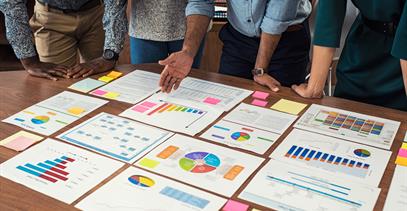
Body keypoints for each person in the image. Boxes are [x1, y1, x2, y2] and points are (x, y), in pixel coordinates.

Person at [159, 0, 312, 93]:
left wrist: (260, 70)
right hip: (238, 38)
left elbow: (278, 14)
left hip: (286, 40)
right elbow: (201, 3)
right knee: (227, 104)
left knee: (277, 112)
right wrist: (188, 51)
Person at [292, 0, 407, 111]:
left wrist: (314, 87)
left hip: (399, 68)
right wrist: (314, 88)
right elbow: (328, 16)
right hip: (361, 53)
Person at [0, 0, 106, 80]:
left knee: (101, 78)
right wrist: (29, 62)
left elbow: (116, 4)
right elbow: (11, 4)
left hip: (96, 11)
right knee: (58, 83)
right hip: (51, 16)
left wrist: (111, 55)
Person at [129, 0, 205, 68]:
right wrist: (116, 50)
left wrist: (188, 51)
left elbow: (201, 2)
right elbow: (117, 5)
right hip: (143, 30)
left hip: (191, 27)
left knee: (188, 81)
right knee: (143, 80)